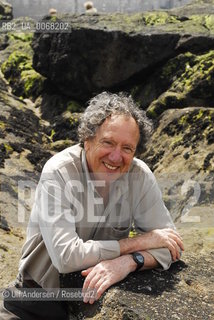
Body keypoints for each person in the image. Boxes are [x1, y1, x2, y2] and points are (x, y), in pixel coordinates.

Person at [0, 92, 184, 319]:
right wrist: (140, 242)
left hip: (94, 301)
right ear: (87, 140)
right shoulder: (58, 172)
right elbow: (67, 257)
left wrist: (129, 262)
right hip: (33, 301)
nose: (116, 157)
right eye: (108, 142)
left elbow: (170, 245)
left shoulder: (140, 176)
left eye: (127, 148)